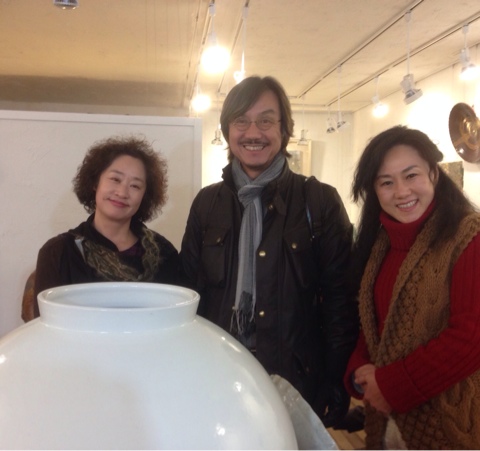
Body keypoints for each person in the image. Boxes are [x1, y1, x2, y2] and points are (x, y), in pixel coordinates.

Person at [180, 75, 358, 428]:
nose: (253, 133)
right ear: (227, 130)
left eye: (265, 120)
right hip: (218, 371)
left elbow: (340, 302)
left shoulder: (318, 201)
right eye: (241, 121)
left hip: (294, 378)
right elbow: (189, 293)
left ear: (284, 129)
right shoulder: (207, 203)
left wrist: (335, 380)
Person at [345, 125, 480, 449]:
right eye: (386, 182)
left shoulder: (468, 236)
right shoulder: (379, 244)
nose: (402, 192)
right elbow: (374, 323)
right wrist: (358, 371)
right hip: (385, 421)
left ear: (433, 173)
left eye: (411, 175)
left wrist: (391, 387)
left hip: (450, 426)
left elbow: (471, 335)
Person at [30, 135, 179, 319]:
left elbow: (177, 320)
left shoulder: (165, 254)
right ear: (95, 183)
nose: (122, 192)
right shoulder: (58, 253)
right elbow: (46, 325)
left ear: (145, 196)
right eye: (115, 179)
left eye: (135, 186)